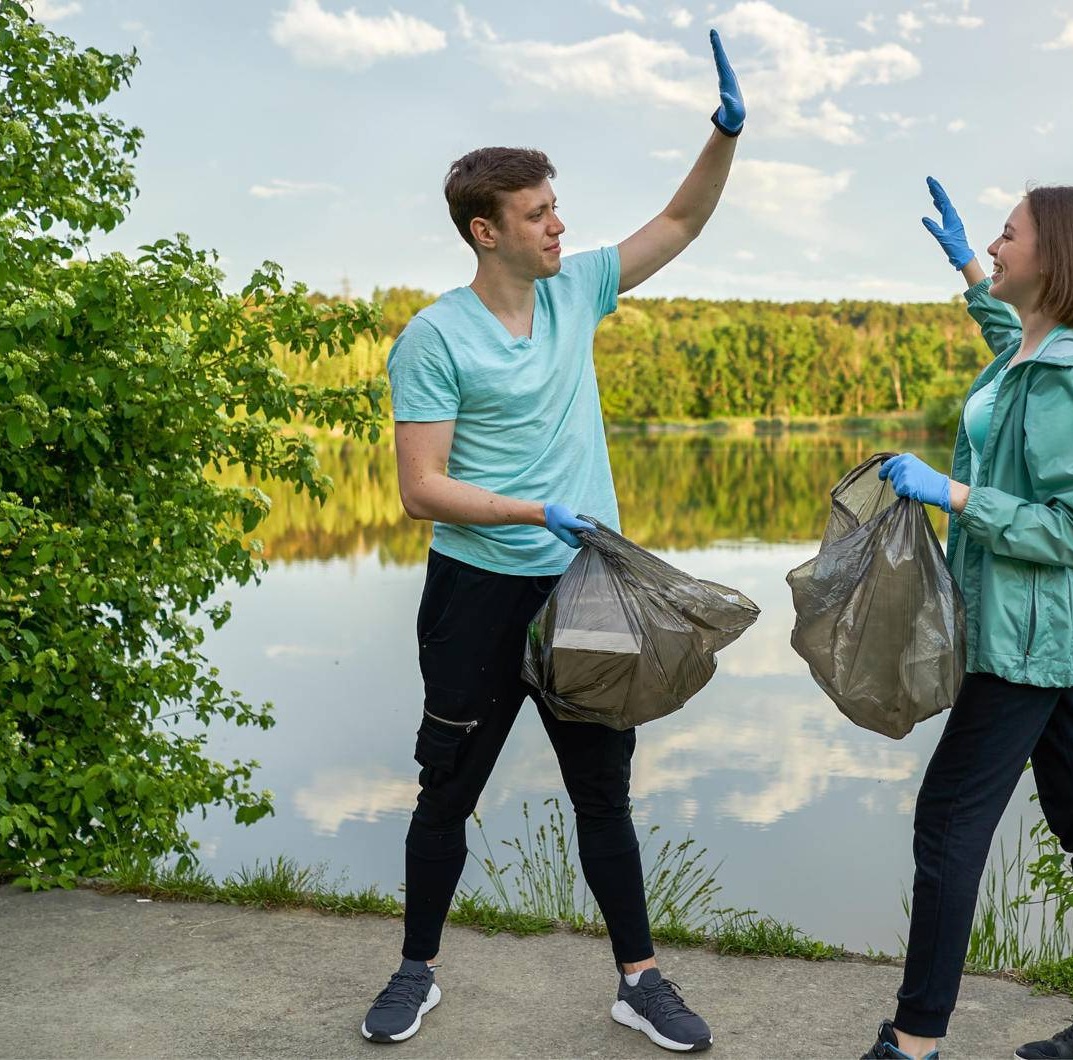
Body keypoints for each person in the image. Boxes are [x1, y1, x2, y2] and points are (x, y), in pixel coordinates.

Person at [359, 30, 745, 1051]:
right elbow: (420, 489)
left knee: (602, 796)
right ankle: (415, 970)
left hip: (584, 595)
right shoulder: (434, 337)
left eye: (555, 208)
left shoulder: (578, 291)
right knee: (446, 792)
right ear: (485, 232)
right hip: (478, 599)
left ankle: (640, 979)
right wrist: (535, 511)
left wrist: (724, 134)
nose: (558, 226)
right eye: (538, 215)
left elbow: (679, 221)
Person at [862, 178, 1073, 1060]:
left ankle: (913, 1044)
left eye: (1005, 235)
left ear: (1055, 257)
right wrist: (961, 265)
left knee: (948, 821)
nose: (993, 246)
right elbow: (1008, 348)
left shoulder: (1067, 375)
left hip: (1025, 640)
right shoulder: (1034, 351)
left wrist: (953, 493)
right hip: (1044, 631)